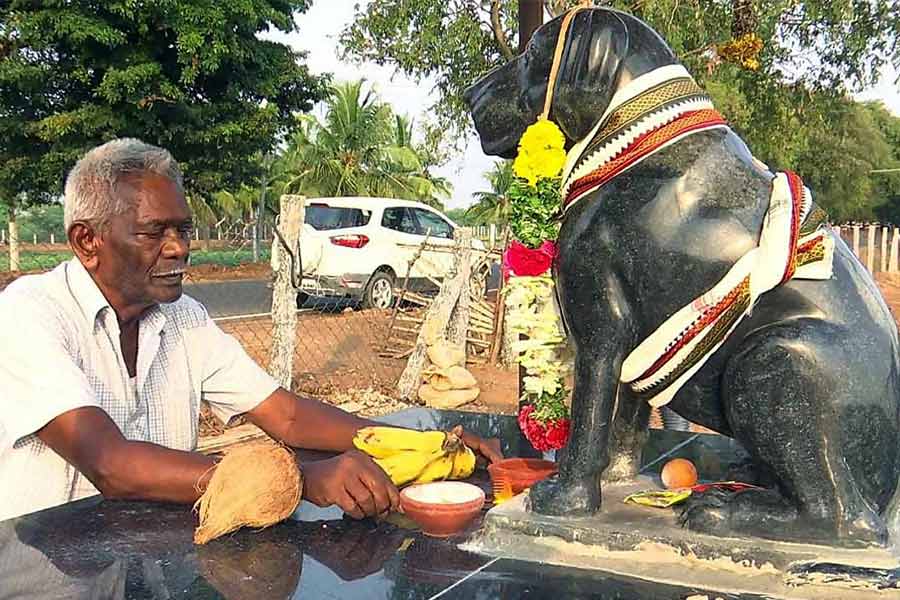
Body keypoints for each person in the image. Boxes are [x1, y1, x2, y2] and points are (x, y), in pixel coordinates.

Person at [0, 138, 502, 522]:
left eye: (183, 230)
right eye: (155, 232)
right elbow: (110, 464)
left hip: (154, 556)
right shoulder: (29, 313)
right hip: (50, 572)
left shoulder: (183, 317)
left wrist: (434, 442)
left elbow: (287, 416)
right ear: (87, 241)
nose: (178, 248)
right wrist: (300, 481)